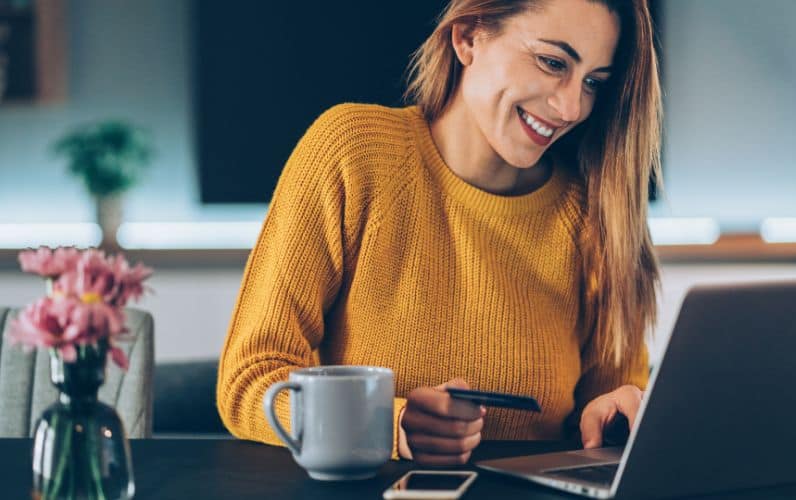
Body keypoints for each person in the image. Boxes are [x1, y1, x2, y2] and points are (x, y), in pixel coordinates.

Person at [217, 0, 662, 466]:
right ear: (468, 36)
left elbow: (611, 405)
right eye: (553, 62)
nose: (571, 107)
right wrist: (389, 426)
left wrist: (617, 413)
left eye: (594, 83)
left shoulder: (594, 214)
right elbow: (250, 379)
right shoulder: (352, 155)